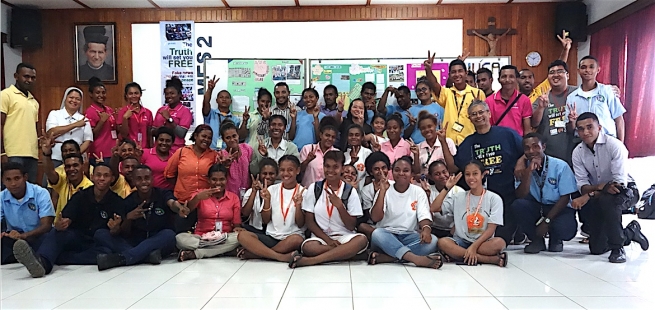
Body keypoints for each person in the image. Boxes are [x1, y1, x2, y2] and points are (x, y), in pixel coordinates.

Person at [12, 163, 124, 278]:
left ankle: (58, 257)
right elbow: (65, 219)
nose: (101, 178)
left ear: (112, 179)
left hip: (97, 244)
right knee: (57, 234)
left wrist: (115, 229)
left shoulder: (117, 201)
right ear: (92, 176)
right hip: (76, 238)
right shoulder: (80, 196)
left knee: (106, 254)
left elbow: (117, 232)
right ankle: (43, 264)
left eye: (106, 176)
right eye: (98, 175)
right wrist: (61, 224)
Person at [441, 100, 524, 245]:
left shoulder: (507, 134)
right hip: (481, 201)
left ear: (489, 113)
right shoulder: (468, 142)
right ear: (470, 119)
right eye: (473, 114)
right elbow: (454, 167)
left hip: (506, 194)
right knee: (482, 239)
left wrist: (521, 161)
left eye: (481, 112)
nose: (478, 116)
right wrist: (442, 142)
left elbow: (526, 151)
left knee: (502, 239)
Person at [570, 113, 648, 263]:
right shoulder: (577, 152)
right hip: (599, 191)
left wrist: (591, 194)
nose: (585, 132)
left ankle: (617, 248)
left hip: (626, 190)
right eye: (580, 129)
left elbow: (618, 185)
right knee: (597, 249)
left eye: (589, 127)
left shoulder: (614, 145)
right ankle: (630, 232)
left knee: (609, 200)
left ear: (599, 128)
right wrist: (598, 189)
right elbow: (583, 187)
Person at [94, 165, 185, 270]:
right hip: (136, 242)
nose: (143, 182)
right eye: (139, 179)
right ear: (133, 180)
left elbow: (172, 203)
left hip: (158, 241)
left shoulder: (162, 194)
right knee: (100, 234)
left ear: (152, 179)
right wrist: (129, 218)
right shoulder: (128, 201)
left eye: (147, 178)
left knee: (169, 234)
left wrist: (179, 208)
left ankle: (123, 258)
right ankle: (146, 256)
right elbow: (125, 233)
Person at [291, 150, 367, 268]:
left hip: (344, 236)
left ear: (342, 169)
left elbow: (351, 226)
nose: (330, 170)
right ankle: (347, 254)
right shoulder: (314, 188)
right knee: (308, 247)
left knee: (361, 240)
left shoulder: (350, 191)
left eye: (335, 167)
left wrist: (340, 206)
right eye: (327, 166)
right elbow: (309, 222)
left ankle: (313, 260)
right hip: (321, 237)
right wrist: (328, 241)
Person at [368, 156, 442, 268]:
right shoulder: (384, 189)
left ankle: (389, 257)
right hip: (387, 235)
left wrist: (426, 229)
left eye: (406, 170)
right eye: (397, 170)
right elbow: (375, 218)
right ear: (392, 172)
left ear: (412, 174)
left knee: (433, 240)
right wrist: (382, 192)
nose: (401, 173)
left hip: (409, 236)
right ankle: (415, 259)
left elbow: (424, 216)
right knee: (377, 234)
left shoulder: (418, 191)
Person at [512, 133, 578, 253]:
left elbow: (565, 198)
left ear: (544, 147)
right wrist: (528, 173)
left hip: (558, 207)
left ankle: (556, 238)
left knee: (565, 229)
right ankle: (537, 240)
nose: (531, 151)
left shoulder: (560, 166)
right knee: (518, 205)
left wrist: (546, 221)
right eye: (527, 148)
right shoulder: (522, 169)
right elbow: (521, 195)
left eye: (535, 146)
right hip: (538, 205)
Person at [435, 160, 508, 267]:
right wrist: (447, 187)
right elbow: (434, 208)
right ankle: (488, 259)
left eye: (475, 174)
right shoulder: (458, 196)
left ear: (483, 175)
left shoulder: (494, 198)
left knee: (499, 243)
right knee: (442, 243)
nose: (471, 178)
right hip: (461, 241)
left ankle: (460, 254)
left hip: (483, 243)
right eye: (467, 174)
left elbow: (491, 229)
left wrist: (474, 247)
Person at [237, 155, 306, 262]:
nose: (286, 173)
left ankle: (259, 254)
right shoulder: (272, 190)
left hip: (291, 237)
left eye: (290, 170)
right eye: (282, 170)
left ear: (298, 170)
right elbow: (265, 220)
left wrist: (298, 206)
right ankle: (280, 256)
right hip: (271, 237)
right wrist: (267, 201)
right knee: (242, 236)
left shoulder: (303, 192)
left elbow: (301, 223)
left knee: (297, 240)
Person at [176, 164, 244, 261]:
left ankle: (196, 253)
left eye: (222, 179)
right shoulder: (200, 194)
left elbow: (237, 225)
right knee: (179, 238)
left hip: (224, 237)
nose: (218, 183)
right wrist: (197, 198)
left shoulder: (233, 198)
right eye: (214, 179)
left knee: (239, 237)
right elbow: (187, 211)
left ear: (226, 179)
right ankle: (222, 250)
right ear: (208, 180)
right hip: (201, 237)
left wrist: (238, 229)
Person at [424, 54, 486, 146]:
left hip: (472, 140)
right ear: (449, 75)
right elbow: (434, 84)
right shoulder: (447, 93)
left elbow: (484, 117)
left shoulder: (477, 93)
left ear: (466, 73)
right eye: (453, 72)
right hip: (450, 142)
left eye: (460, 71)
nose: (457, 74)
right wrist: (428, 70)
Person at [1, 162, 54, 264]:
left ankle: (36, 259)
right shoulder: (1, 197)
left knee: (51, 239)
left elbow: (46, 225)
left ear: (25, 177)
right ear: (3, 181)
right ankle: (28, 257)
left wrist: (24, 236)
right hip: (15, 239)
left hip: (38, 235)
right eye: (8, 179)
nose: (13, 183)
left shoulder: (40, 193)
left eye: (17, 178)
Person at [566, 56, 626, 142]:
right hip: (582, 143)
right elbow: (570, 130)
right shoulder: (572, 97)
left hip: (607, 141)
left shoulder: (607, 91)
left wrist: (621, 145)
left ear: (598, 69)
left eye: (591, 67)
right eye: (583, 67)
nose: (587, 70)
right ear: (578, 71)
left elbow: (619, 119)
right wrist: (571, 121)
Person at [531, 60, 578, 166]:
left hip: (576, 154)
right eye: (552, 72)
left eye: (560, 71)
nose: (555, 75)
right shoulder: (542, 97)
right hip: (551, 155)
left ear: (568, 75)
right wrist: (541, 107)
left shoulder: (578, 93)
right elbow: (534, 123)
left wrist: (609, 89)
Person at [1, 63, 40, 183]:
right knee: (11, 191)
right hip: (12, 153)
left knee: (30, 191)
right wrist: (1, 153)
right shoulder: (5, 95)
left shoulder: (34, 102)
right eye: (26, 76)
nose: (29, 80)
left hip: (32, 155)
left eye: (32, 78)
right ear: (16, 76)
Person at [41, 132, 94, 218]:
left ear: (82, 166)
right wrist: (47, 154)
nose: (72, 169)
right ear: (65, 168)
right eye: (68, 166)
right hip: (60, 227)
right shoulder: (62, 180)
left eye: (75, 165)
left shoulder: (89, 186)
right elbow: (50, 172)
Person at [164, 124, 218, 203]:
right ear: (195, 136)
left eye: (209, 138)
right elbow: (169, 175)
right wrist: (183, 185)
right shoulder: (182, 152)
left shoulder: (214, 155)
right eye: (203, 136)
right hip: (182, 201)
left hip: (205, 203)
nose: (206, 139)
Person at [45, 87, 92, 168]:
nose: (74, 101)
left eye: (77, 99)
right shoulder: (54, 114)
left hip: (76, 161)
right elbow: (51, 132)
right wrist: (75, 125)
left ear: (81, 102)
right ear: (65, 98)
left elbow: (88, 140)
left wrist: (75, 155)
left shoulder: (84, 119)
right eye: (71, 97)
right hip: (56, 158)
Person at [519, 31, 573, 102]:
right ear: (517, 80)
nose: (527, 80)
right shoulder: (513, 99)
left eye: (530, 77)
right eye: (523, 77)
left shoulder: (540, 91)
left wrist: (566, 50)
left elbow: (559, 66)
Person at [203, 76, 248, 150]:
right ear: (216, 100)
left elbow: (241, 136)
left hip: (228, 152)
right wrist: (210, 90)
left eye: (227, 98)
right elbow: (206, 102)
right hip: (210, 151)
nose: (224, 99)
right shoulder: (210, 113)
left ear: (231, 101)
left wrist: (245, 121)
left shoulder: (235, 119)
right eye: (221, 97)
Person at [486, 65, 532, 136]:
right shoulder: (489, 101)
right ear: (499, 80)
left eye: (511, 76)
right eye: (504, 76)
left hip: (517, 143)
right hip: (497, 143)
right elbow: (487, 127)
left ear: (517, 79)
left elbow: (527, 130)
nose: (507, 80)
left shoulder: (524, 100)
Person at [423, 160, 464, 238]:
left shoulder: (459, 191)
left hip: (454, 230)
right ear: (431, 177)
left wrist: (450, 235)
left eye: (444, 172)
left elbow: (461, 219)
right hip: (433, 229)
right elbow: (429, 217)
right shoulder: (427, 190)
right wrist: (427, 196)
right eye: (437, 174)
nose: (442, 176)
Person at [153, 76, 193, 153]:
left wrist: (169, 119)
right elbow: (153, 131)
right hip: (158, 150)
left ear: (179, 94)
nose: (169, 96)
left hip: (175, 151)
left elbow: (181, 134)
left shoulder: (185, 111)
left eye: (172, 93)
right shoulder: (161, 110)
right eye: (167, 94)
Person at [359, 152, 393, 239]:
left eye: (384, 168)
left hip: (394, 223)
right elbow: (371, 217)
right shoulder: (366, 190)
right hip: (376, 226)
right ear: (371, 172)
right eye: (376, 169)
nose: (381, 171)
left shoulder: (396, 185)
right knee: (362, 226)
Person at [85, 77, 117, 164]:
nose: (101, 95)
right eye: (97, 93)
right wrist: (102, 121)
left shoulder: (109, 110)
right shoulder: (90, 111)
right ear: (91, 94)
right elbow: (91, 136)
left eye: (103, 93)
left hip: (112, 152)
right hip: (98, 153)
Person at [242, 158, 278, 234]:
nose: (268, 177)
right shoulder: (250, 191)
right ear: (259, 174)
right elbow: (245, 214)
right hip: (254, 230)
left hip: (274, 232)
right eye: (264, 174)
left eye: (271, 174)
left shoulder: (279, 191)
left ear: (276, 175)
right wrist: (254, 192)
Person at [217, 122, 253, 198]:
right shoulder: (220, 155)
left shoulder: (247, 149)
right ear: (223, 140)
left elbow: (252, 169)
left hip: (247, 194)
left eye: (234, 136)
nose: (232, 140)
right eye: (228, 137)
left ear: (238, 135)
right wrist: (224, 166)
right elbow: (218, 177)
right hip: (229, 196)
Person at [416, 111, 457, 176]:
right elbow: (416, 173)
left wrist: (443, 142)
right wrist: (416, 155)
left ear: (436, 125)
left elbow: (452, 168)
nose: (427, 130)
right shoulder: (418, 148)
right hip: (425, 184)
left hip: (446, 183)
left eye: (429, 126)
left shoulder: (448, 142)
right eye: (423, 128)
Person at [117, 82, 154, 149]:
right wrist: (125, 118)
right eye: (130, 94)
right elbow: (123, 135)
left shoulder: (148, 112)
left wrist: (151, 149)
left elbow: (149, 134)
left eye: (136, 93)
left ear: (140, 94)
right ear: (126, 95)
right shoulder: (122, 112)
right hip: (129, 150)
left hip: (144, 149)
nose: (134, 96)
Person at [344, 124, 372, 190]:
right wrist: (352, 162)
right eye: (351, 135)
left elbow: (369, 176)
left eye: (357, 135)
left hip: (361, 192)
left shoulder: (367, 153)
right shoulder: (344, 154)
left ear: (362, 137)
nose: (353, 137)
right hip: (345, 191)